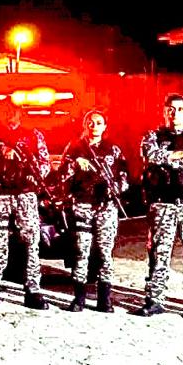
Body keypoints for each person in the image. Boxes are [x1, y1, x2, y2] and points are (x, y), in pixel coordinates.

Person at [133, 93, 183, 323]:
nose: (174, 113)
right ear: (164, 111)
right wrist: (182, 155)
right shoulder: (152, 137)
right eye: (170, 109)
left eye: (179, 109)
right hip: (163, 204)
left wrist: (168, 158)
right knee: (158, 253)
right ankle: (154, 300)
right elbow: (152, 156)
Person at [0, 103, 51, 310]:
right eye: (6, 111)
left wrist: (30, 169)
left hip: (25, 195)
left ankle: (33, 290)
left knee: (31, 243)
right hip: (0, 194)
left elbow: (45, 164)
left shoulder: (33, 135)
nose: (10, 116)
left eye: (14, 112)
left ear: (20, 114)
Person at [50, 109, 128, 312]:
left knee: (104, 252)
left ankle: (104, 299)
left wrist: (115, 188)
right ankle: (79, 298)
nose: (94, 126)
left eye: (99, 123)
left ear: (105, 126)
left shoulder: (113, 150)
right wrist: (75, 163)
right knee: (81, 252)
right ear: (84, 125)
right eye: (90, 123)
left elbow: (124, 176)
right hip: (82, 205)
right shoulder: (75, 148)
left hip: (106, 206)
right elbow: (61, 177)